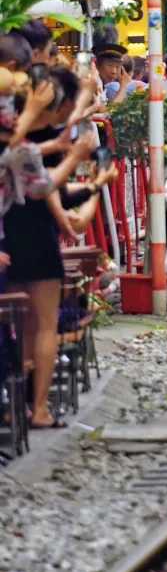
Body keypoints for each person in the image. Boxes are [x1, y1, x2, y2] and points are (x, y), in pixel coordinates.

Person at [4, 67, 100, 429]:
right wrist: (76, 160)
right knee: (42, 325)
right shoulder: (28, 146)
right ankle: (38, 407)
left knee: (15, 323)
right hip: (37, 234)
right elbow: (44, 190)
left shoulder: (24, 139)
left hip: (8, 234)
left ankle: (15, 403)